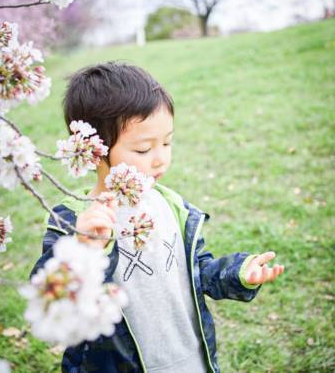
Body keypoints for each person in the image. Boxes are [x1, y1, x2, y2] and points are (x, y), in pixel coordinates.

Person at [30, 62, 285, 373]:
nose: (161, 158)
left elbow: (198, 270)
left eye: (167, 142)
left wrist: (238, 272)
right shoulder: (75, 219)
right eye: (143, 149)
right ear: (94, 150)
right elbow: (48, 294)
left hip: (190, 357)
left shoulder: (171, 204)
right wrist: (83, 247)